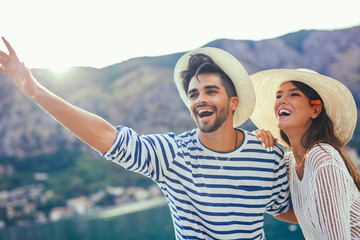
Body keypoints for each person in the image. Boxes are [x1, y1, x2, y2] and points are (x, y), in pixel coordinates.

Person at [0, 37, 292, 240]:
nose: (200, 99)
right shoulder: (173, 155)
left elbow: (286, 209)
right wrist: (37, 92)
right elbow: (107, 137)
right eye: (193, 94)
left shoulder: (267, 154)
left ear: (233, 102)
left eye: (211, 91)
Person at [250, 68, 360, 239]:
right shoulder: (289, 162)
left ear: (315, 111)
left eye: (294, 95)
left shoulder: (322, 157)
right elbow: (277, 209)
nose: (281, 101)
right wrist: (261, 150)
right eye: (278, 96)